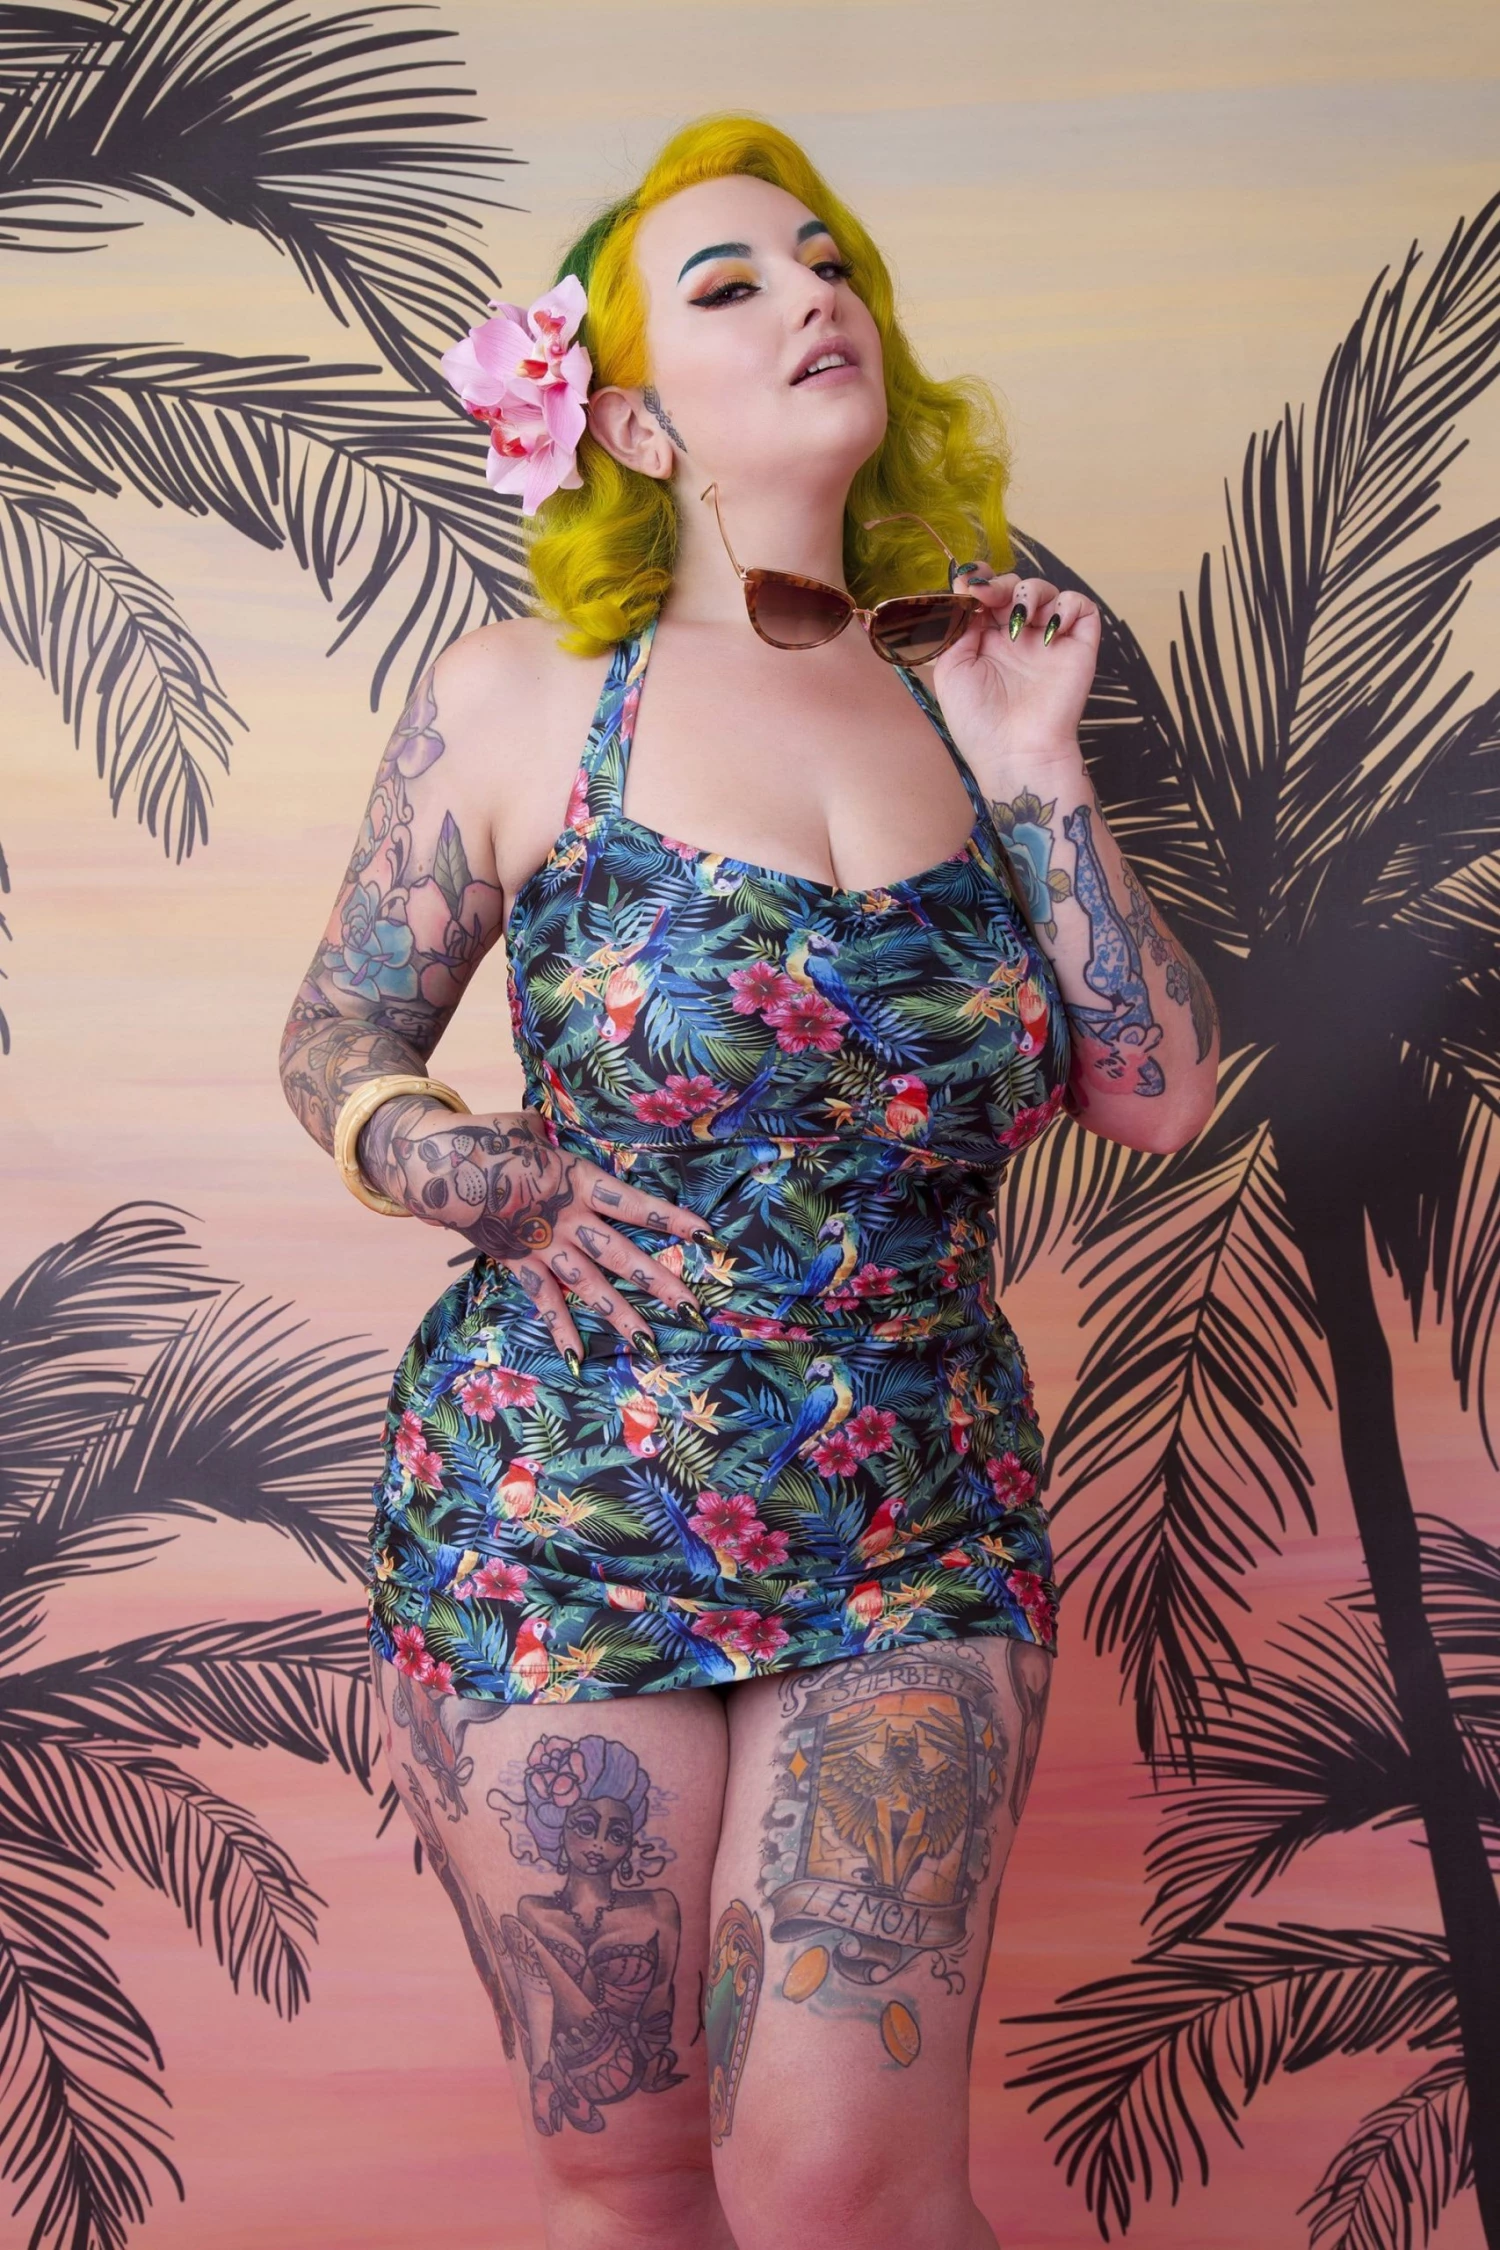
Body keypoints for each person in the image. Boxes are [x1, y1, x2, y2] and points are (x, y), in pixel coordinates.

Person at [279, 112, 1217, 2250]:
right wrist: (483, 1177)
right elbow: (337, 1036)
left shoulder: (968, 692)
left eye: (828, 262)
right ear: (625, 418)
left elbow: (1158, 1096)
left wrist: (1041, 767)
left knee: (843, 2183)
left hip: (914, 1505)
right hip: (559, 1505)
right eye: (731, 284)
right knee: (629, 2181)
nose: (812, 296)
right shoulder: (523, 699)